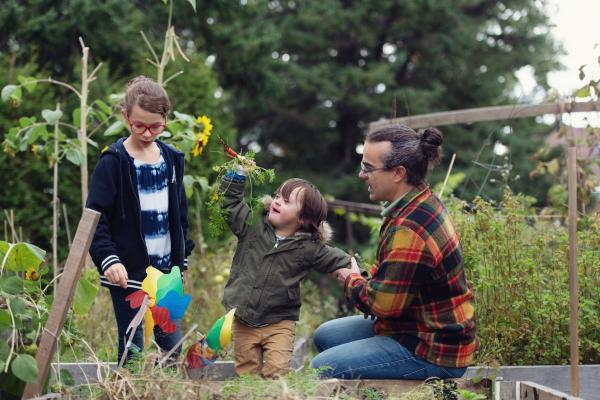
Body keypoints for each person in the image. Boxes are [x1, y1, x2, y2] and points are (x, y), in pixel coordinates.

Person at [311, 124, 478, 379]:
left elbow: (384, 305)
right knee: (325, 335)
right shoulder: (413, 203)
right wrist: (364, 280)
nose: (360, 174)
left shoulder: (410, 228)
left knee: (321, 366)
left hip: (431, 348)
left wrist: (350, 280)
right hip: (411, 326)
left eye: (368, 168)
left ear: (399, 173)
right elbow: (392, 280)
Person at [87, 76, 195, 362]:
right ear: (125, 117)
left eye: (155, 127)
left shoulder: (171, 159)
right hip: (128, 273)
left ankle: (165, 391)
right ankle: (126, 388)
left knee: (171, 345)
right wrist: (109, 260)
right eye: (139, 125)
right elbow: (96, 220)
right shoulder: (113, 162)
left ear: (166, 121)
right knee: (133, 348)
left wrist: (181, 259)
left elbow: (180, 215)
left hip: (166, 274)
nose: (147, 133)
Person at [219, 169, 353, 378]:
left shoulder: (308, 248)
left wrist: (356, 271)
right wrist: (235, 179)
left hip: (279, 322)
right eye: (278, 195)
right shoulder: (252, 227)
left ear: (304, 219)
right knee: (246, 371)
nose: (278, 201)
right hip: (243, 317)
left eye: (287, 200)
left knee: (277, 371)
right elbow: (232, 206)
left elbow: (337, 259)